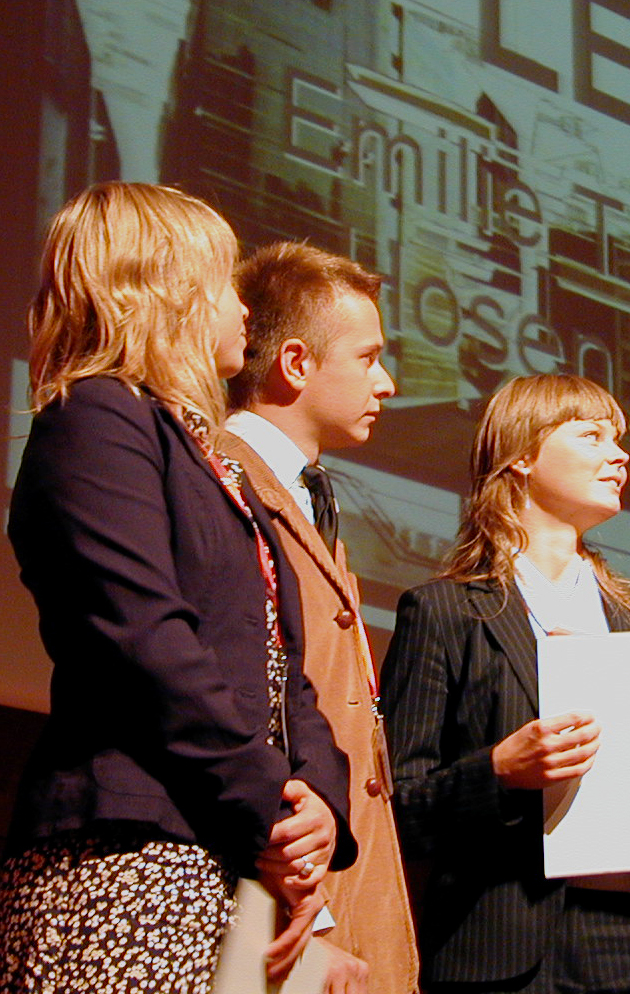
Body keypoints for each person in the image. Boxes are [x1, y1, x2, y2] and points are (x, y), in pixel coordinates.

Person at [0, 182, 356, 993]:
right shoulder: (97, 418)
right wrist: (273, 809)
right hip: (127, 861)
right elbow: (145, 642)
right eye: (224, 283)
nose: (244, 307)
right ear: (169, 292)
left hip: (225, 859)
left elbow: (283, 668)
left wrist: (320, 804)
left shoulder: (213, 458)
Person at [381, 373, 630, 994]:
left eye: (618, 438)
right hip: (508, 949)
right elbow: (396, 810)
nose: (619, 454)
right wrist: (498, 773)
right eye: (591, 435)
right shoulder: (446, 613)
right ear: (520, 456)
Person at [219, 240, 419, 994]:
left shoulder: (312, 496)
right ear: (297, 365)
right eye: (368, 358)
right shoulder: (223, 479)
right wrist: (317, 915)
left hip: (340, 884)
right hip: (287, 906)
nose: (388, 382)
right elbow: (252, 701)